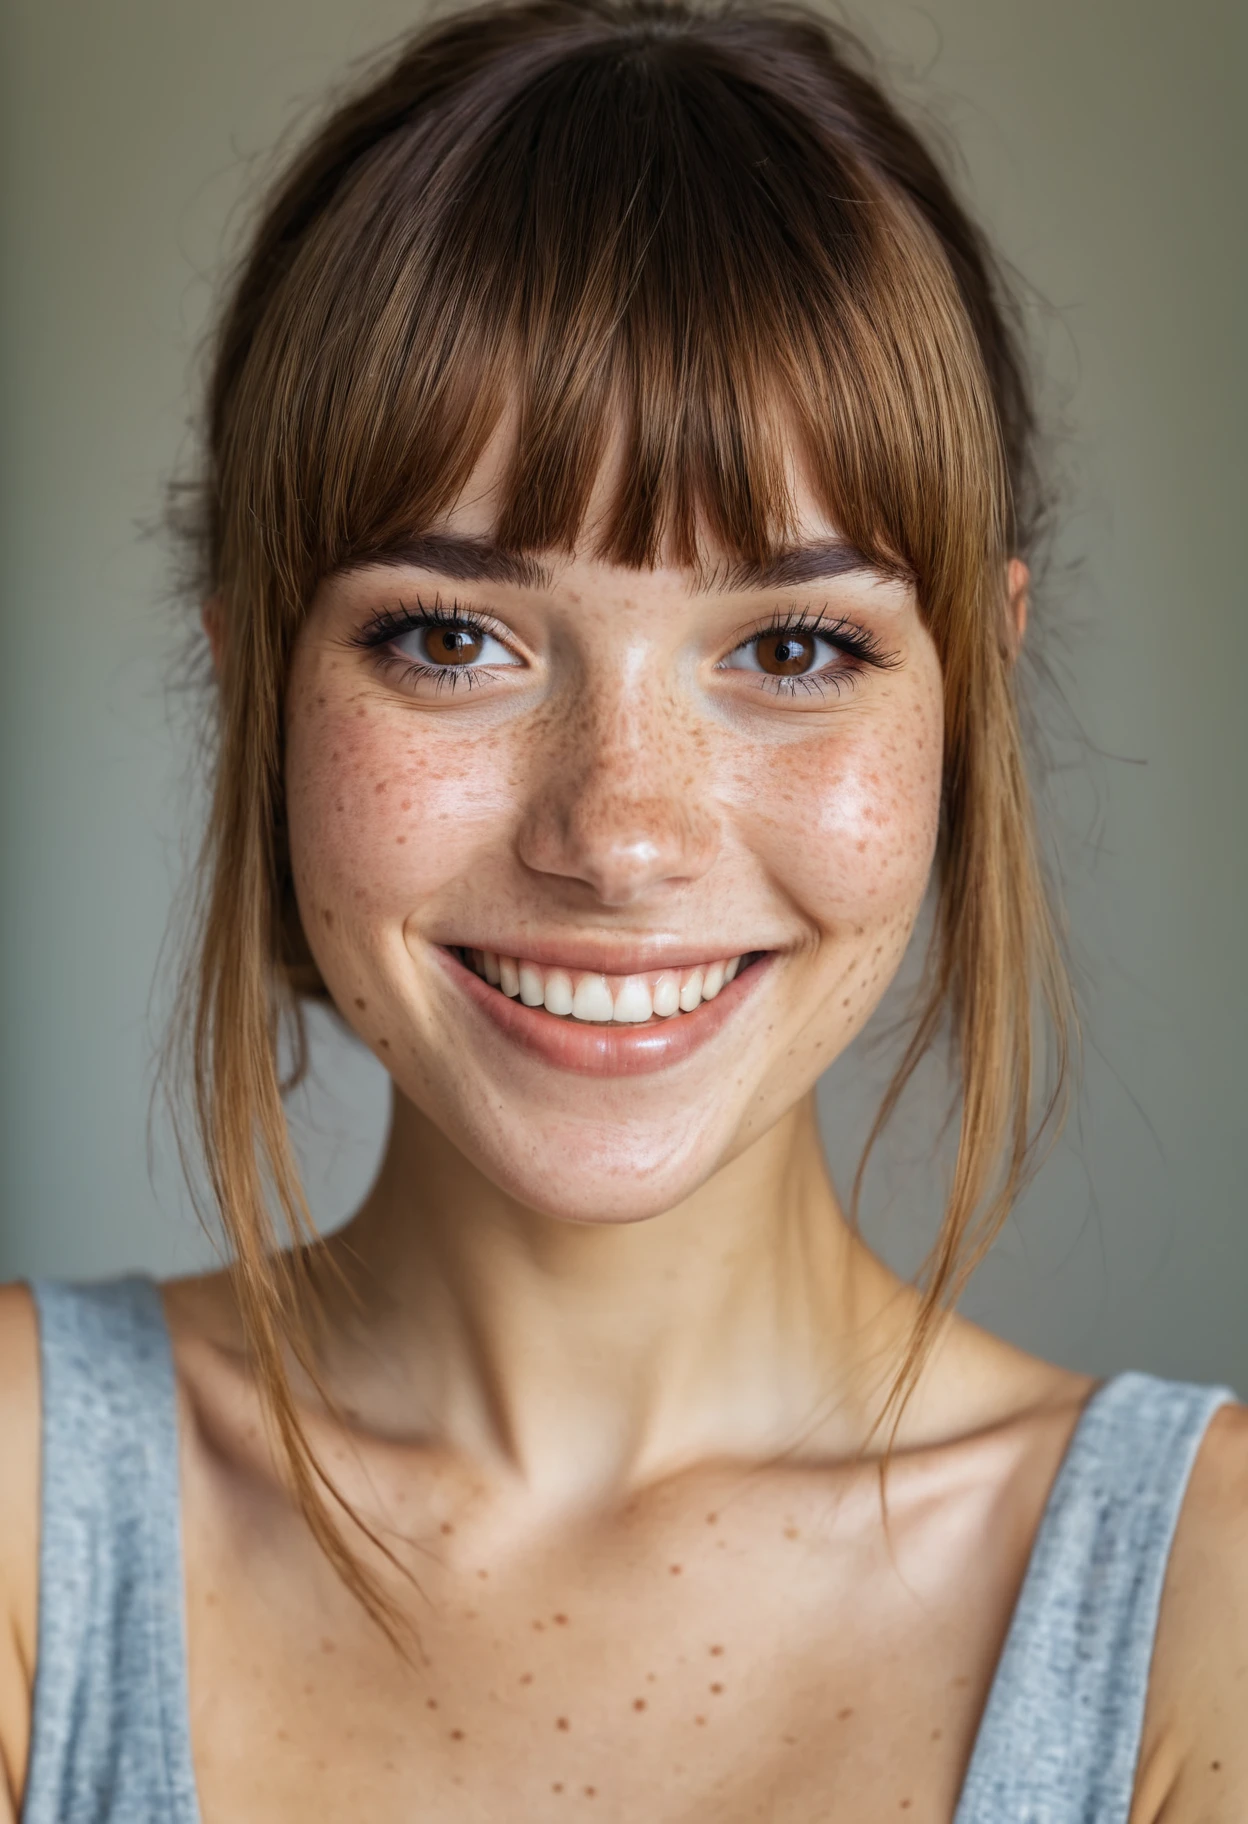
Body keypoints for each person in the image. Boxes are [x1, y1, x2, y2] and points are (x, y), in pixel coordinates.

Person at [0, 2, 1244, 1818]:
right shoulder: (24, 1508)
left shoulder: (1209, 1606)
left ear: (973, 691)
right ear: (255, 688)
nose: (620, 834)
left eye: (796, 646)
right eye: (450, 637)